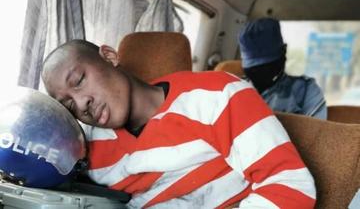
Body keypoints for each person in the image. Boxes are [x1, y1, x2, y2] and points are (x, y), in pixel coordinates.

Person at [41, 39, 316, 208]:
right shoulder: (83, 143)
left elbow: (290, 185)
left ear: (110, 56)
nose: (81, 104)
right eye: (67, 104)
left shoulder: (217, 96)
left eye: (78, 81)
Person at [238, 18, 327, 119]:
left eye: (267, 66)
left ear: (283, 53)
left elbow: (316, 132)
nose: (260, 73)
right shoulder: (234, 89)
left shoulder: (305, 91)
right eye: (253, 69)